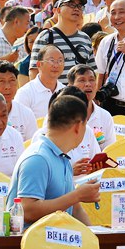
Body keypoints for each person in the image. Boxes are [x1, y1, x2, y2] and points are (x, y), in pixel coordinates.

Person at [7, 94, 101, 225]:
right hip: (34, 238)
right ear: (78, 127)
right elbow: (27, 211)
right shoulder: (38, 158)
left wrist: (93, 236)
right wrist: (77, 195)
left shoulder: (62, 157)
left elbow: (75, 210)